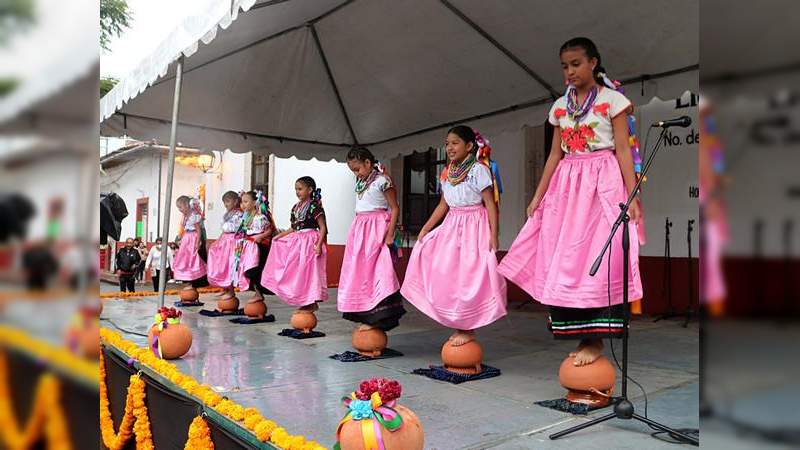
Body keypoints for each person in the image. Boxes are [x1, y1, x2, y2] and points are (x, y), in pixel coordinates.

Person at [497, 37, 643, 366]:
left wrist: (631, 195)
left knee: (600, 258)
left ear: (593, 62)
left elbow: (622, 150)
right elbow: (553, 155)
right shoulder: (560, 108)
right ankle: (579, 335)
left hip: (602, 182)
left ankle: (596, 339)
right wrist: (538, 196)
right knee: (565, 259)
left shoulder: (613, 101)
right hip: (568, 185)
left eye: (576, 63)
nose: (570, 71)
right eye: (565, 66)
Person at [400, 125, 507, 346]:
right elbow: (443, 204)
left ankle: (468, 328)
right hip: (452, 226)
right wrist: (426, 228)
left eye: (455, 142)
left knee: (469, 278)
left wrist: (493, 234)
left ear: (469, 146)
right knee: (448, 275)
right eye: (447, 143)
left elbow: (490, 205)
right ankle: (458, 323)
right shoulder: (448, 172)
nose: (449, 147)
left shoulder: (479, 170)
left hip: (474, 226)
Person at [338, 146, 406, 332]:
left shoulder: (383, 181)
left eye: (358, 169)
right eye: (352, 170)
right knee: (360, 272)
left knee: (378, 271)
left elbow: (395, 208)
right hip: (360, 230)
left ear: (368, 163)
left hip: (376, 230)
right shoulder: (361, 182)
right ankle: (365, 313)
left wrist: (390, 234)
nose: (356, 174)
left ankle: (380, 315)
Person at [261, 176, 328, 313]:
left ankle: (312, 301)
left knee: (309, 272)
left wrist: (319, 244)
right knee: (298, 272)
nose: (297, 192)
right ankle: (303, 298)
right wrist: (279, 236)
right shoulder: (295, 207)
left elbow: (323, 227)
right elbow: (294, 227)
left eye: (300, 189)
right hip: (298, 242)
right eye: (296, 189)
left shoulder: (315, 206)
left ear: (310, 190)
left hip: (310, 242)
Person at [233, 191, 274, 302]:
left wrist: (261, 236)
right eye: (242, 202)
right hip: (248, 247)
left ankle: (259, 293)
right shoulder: (246, 218)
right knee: (246, 269)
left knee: (253, 269)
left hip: (258, 247)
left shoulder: (261, 217)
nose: (243, 204)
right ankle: (257, 292)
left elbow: (270, 230)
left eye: (246, 201)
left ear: (255, 202)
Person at [207, 191, 243, 297]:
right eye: (224, 202)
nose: (226, 204)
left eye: (228, 201)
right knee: (221, 263)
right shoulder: (227, 214)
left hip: (233, 241)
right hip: (225, 240)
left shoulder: (239, 214)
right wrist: (218, 240)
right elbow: (223, 230)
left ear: (236, 201)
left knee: (230, 265)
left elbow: (240, 229)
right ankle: (225, 287)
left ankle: (231, 290)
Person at [172, 196, 209, 288]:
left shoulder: (193, 216)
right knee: (185, 259)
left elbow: (198, 229)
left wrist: (198, 241)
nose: (179, 209)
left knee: (193, 259)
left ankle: (194, 279)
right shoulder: (185, 217)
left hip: (193, 238)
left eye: (180, 207)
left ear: (186, 205)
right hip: (187, 238)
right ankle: (187, 279)